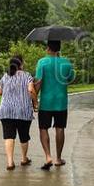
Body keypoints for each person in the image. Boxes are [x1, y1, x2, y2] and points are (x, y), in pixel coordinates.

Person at [0, 56, 38, 170]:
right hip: (23, 110)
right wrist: (35, 102)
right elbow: (31, 90)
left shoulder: (5, 76)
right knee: (24, 136)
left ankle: (10, 162)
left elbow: (0, 91)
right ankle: (24, 159)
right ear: (21, 65)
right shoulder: (27, 75)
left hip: (6, 110)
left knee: (9, 136)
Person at [34, 40, 75, 170]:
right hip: (61, 102)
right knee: (60, 128)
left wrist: (34, 99)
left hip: (46, 102)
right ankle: (58, 158)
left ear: (48, 48)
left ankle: (48, 156)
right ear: (59, 49)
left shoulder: (42, 62)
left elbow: (38, 82)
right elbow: (70, 79)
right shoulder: (66, 63)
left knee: (43, 128)